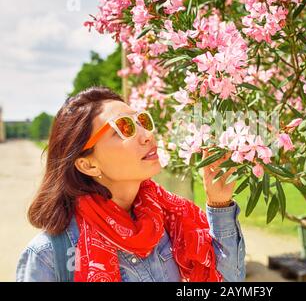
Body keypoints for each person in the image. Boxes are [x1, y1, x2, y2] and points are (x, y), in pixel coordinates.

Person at [16, 87, 246, 282]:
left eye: (142, 121)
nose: (147, 135)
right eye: (124, 128)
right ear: (88, 165)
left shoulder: (168, 222)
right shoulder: (47, 256)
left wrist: (219, 204)